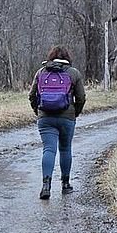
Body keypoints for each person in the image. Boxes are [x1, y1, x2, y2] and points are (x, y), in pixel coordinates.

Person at [28, 45, 86, 200]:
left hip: (45, 117)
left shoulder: (41, 72)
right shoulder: (74, 73)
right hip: (67, 118)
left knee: (49, 149)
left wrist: (38, 112)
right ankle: (65, 185)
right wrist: (75, 113)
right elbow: (81, 98)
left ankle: (46, 185)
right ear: (67, 58)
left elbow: (32, 96)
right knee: (65, 149)